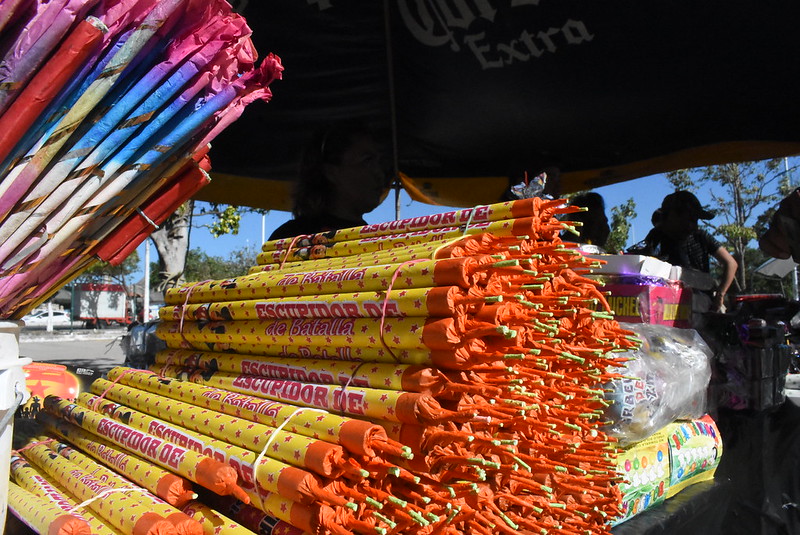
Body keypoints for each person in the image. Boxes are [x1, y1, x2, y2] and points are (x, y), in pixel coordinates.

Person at [269, 120, 389, 240]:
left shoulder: (376, 240)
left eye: (379, 162)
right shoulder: (291, 239)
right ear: (331, 172)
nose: (379, 173)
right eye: (367, 161)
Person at [628, 190, 737, 312]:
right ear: (671, 216)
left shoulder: (700, 236)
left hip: (702, 301)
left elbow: (731, 263)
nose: (692, 226)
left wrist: (720, 294)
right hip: (666, 302)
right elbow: (638, 265)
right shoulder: (656, 237)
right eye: (688, 219)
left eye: (695, 221)